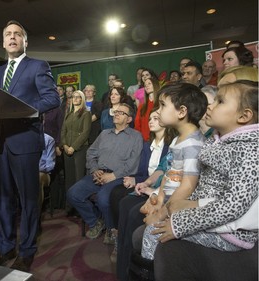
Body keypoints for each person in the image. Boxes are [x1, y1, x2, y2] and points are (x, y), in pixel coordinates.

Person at [152, 81, 258, 281]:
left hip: (231, 234)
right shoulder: (217, 141)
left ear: (243, 116)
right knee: (151, 233)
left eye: (220, 101)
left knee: (154, 236)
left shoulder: (249, 151)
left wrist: (181, 221)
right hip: (209, 218)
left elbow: (232, 206)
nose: (211, 105)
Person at [0, 20, 60, 272]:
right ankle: (5, 245)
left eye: (17, 34)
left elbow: (52, 98)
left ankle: (27, 250)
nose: (12, 37)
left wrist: (26, 111)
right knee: (3, 198)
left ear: (24, 41)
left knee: (29, 199)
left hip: (26, 142)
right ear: (3, 41)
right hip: (1, 143)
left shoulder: (37, 66)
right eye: (7, 34)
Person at [134, 82, 208, 260]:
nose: (157, 111)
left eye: (163, 105)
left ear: (182, 112)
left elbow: (188, 186)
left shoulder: (193, 144)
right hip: (168, 202)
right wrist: (158, 200)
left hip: (180, 208)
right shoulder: (177, 140)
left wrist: (161, 213)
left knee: (150, 234)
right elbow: (169, 174)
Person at [67, 103, 143, 240]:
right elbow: (91, 153)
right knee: (73, 193)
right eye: (116, 111)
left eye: (121, 112)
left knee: (103, 198)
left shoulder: (136, 137)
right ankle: (96, 221)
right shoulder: (104, 133)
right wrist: (94, 169)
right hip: (98, 174)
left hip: (119, 177)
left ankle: (111, 228)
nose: (117, 113)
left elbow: (133, 164)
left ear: (129, 119)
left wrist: (113, 175)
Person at [109, 109, 174, 263]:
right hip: (147, 181)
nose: (151, 121)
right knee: (115, 193)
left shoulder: (170, 145)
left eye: (156, 118)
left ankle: (127, 250)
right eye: (149, 118)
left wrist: (140, 182)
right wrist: (135, 179)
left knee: (125, 201)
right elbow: (143, 171)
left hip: (158, 188)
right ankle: (118, 237)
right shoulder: (147, 145)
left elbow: (163, 173)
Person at [60, 90, 91, 213]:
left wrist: (73, 147)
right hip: (67, 150)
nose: (75, 99)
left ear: (82, 99)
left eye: (78, 97)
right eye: (74, 97)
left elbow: (85, 133)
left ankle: (80, 209)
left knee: (79, 179)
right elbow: (63, 131)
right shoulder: (68, 113)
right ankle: (70, 207)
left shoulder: (86, 114)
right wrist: (65, 145)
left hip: (80, 149)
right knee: (70, 179)